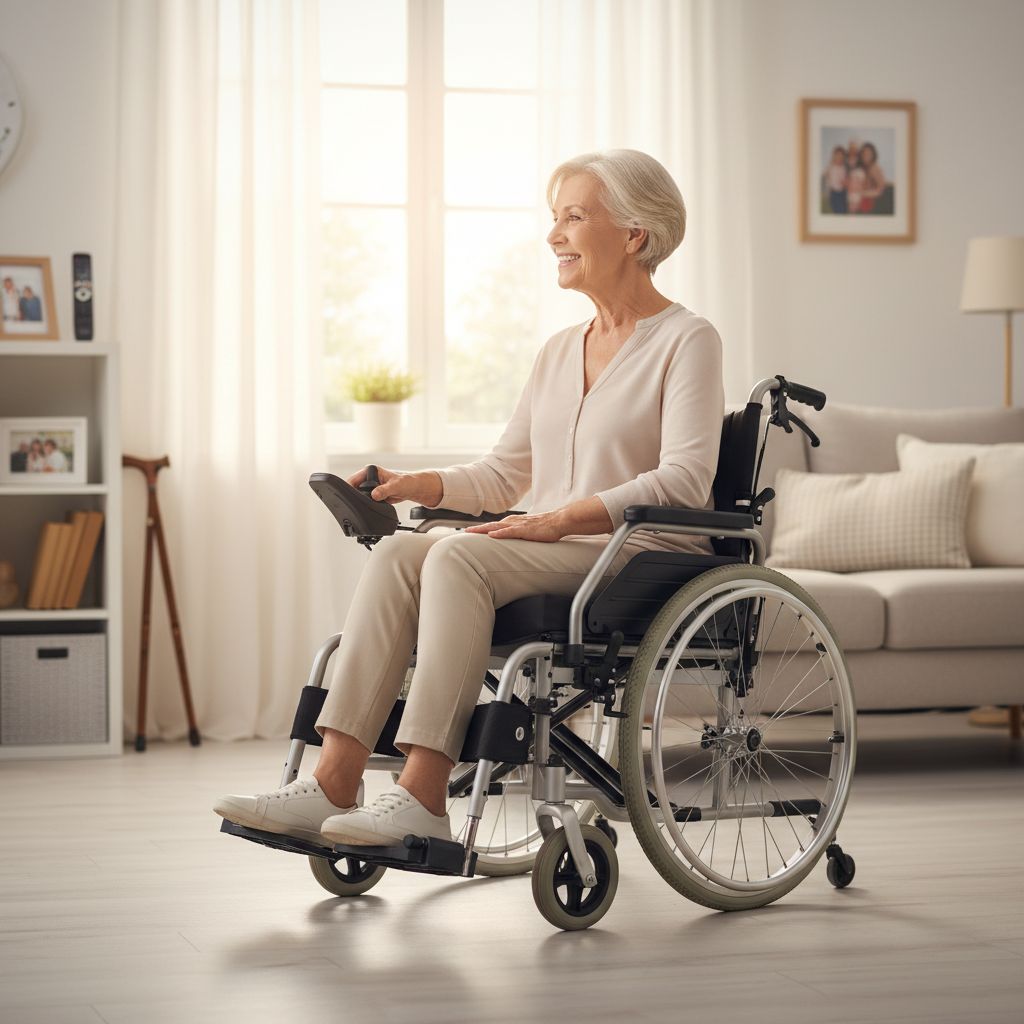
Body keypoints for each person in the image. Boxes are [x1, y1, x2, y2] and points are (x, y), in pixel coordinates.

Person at [214, 149, 725, 849]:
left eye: (574, 218)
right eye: (555, 218)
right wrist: (416, 483)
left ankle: (423, 795)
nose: (553, 235)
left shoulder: (687, 339)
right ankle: (333, 780)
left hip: (634, 555)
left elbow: (686, 479)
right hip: (556, 547)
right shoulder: (559, 350)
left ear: (635, 234)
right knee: (401, 551)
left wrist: (557, 521)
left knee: (455, 556)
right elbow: (504, 474)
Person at [857, 142, 887, 214]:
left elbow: (880, 190)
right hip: (861, 200)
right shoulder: (862, 167)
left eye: (869, 154)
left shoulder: (875, 168)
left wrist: (863, 193)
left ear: (873, 155)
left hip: (871, 202)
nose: (866, 156)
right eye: (864, 154)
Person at [825, 145, 848, 213]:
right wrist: (828, 191)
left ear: (843, 158)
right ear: (834, 156)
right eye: (837, 155)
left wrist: (844, 184)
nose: (839, 157)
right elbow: (828, 179)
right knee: (836, 208)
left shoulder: (843, 167)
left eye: (841, 156)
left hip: (842, 192)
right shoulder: (831, 167)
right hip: (834, 192)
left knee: (843, 208)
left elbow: (844, 180)